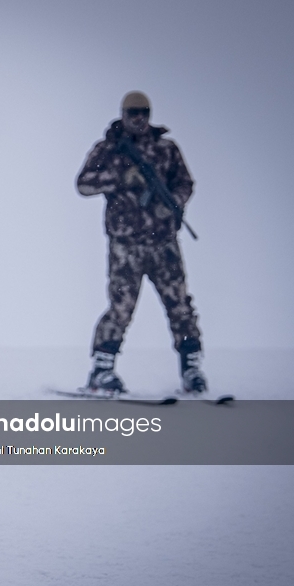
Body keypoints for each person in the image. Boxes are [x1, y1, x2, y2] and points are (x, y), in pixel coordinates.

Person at [76, 91, 207, 394]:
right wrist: (122, 177)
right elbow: (83, 184)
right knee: (121, 307)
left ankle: (191, 367)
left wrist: (173, 203)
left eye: (144, 112)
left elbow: (185, 183)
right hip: (126, 245)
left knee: (180, 307)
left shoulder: (166, 149)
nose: (139, 118)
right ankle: (102, 369)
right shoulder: (109, 150)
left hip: (163, 242)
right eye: (133, 112)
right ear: (123, 114)